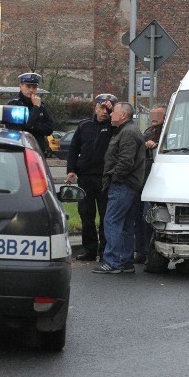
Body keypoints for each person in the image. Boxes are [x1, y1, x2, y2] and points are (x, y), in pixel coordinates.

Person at [92, 102, 145, 274]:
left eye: (114, 112)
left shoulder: (127, 132)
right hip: (129, 184)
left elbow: (125, 161)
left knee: (112, 220)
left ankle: (113, 261)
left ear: (123, 115)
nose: (110, 115)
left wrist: (115, 178)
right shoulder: (127, 130)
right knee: (126, 223)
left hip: (123, 184)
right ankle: (125, 261)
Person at [65, 94, 116, 261]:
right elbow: (73, 149)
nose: (104, 112)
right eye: (101, 108)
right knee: (86, 215)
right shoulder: (84, 125)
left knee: (105, 216)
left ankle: (104, 251)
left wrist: (112, 111)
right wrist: (71, 170)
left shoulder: (114, 127)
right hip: (85, 177)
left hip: (104, 178)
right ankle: (90, 250)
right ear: (95, 108)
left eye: (107, 109)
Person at [134, 104, 167, 264]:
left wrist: (157, 144)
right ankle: (141, 251)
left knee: (149, 218)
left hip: (158, 182)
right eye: (152, 115)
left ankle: (149, 251)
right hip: (143, 180)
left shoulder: (168, 133)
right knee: (140, 218)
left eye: (157, 116)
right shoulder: (148, 132)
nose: (153, 118)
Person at [7, 72, 54, 153]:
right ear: (21, 86)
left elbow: (50, 129)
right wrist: (35, 108)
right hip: (20, 151)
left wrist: (33, 127)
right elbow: (21, 128)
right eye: (28, 86)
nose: (31, 90)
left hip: (38, 151)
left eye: (34, 87)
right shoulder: (14, 105)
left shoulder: (41, 105)